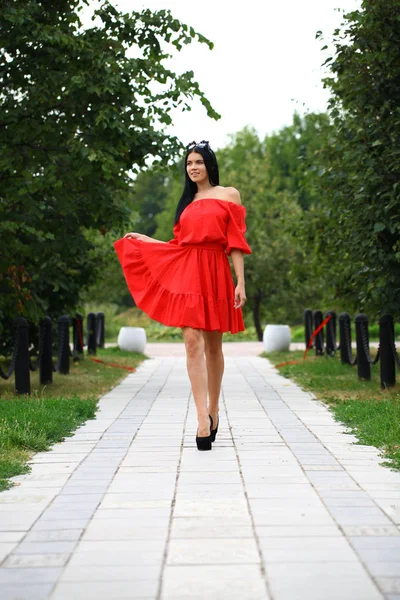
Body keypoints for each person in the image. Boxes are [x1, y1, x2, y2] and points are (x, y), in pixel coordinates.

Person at [114, 140, 252, 451]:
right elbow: (178, 245)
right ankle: (202, 419)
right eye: (189, 163)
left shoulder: (229, 195)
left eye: (198, 162)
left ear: (209, 165)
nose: (193, 167)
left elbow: (236, 242)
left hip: (216, 270)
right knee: (192, 341)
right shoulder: (186, 204)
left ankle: (215, 410)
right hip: (190, 272)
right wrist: (147, 241)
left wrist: (239, 281)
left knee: (214, 347)